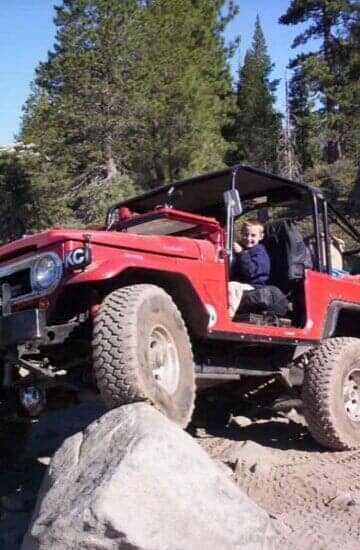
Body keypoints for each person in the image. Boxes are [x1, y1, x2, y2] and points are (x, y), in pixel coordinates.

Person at [228, 218, 271, 317]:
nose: (248, 238)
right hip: (242, 284)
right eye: (245, 234)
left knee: (232, 287)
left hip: (254, 286)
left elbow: (250, 271)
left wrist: (241, 254)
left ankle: (227, 316)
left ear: (261, 237)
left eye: (253, 235)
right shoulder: (243, 250)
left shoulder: (260, 252)